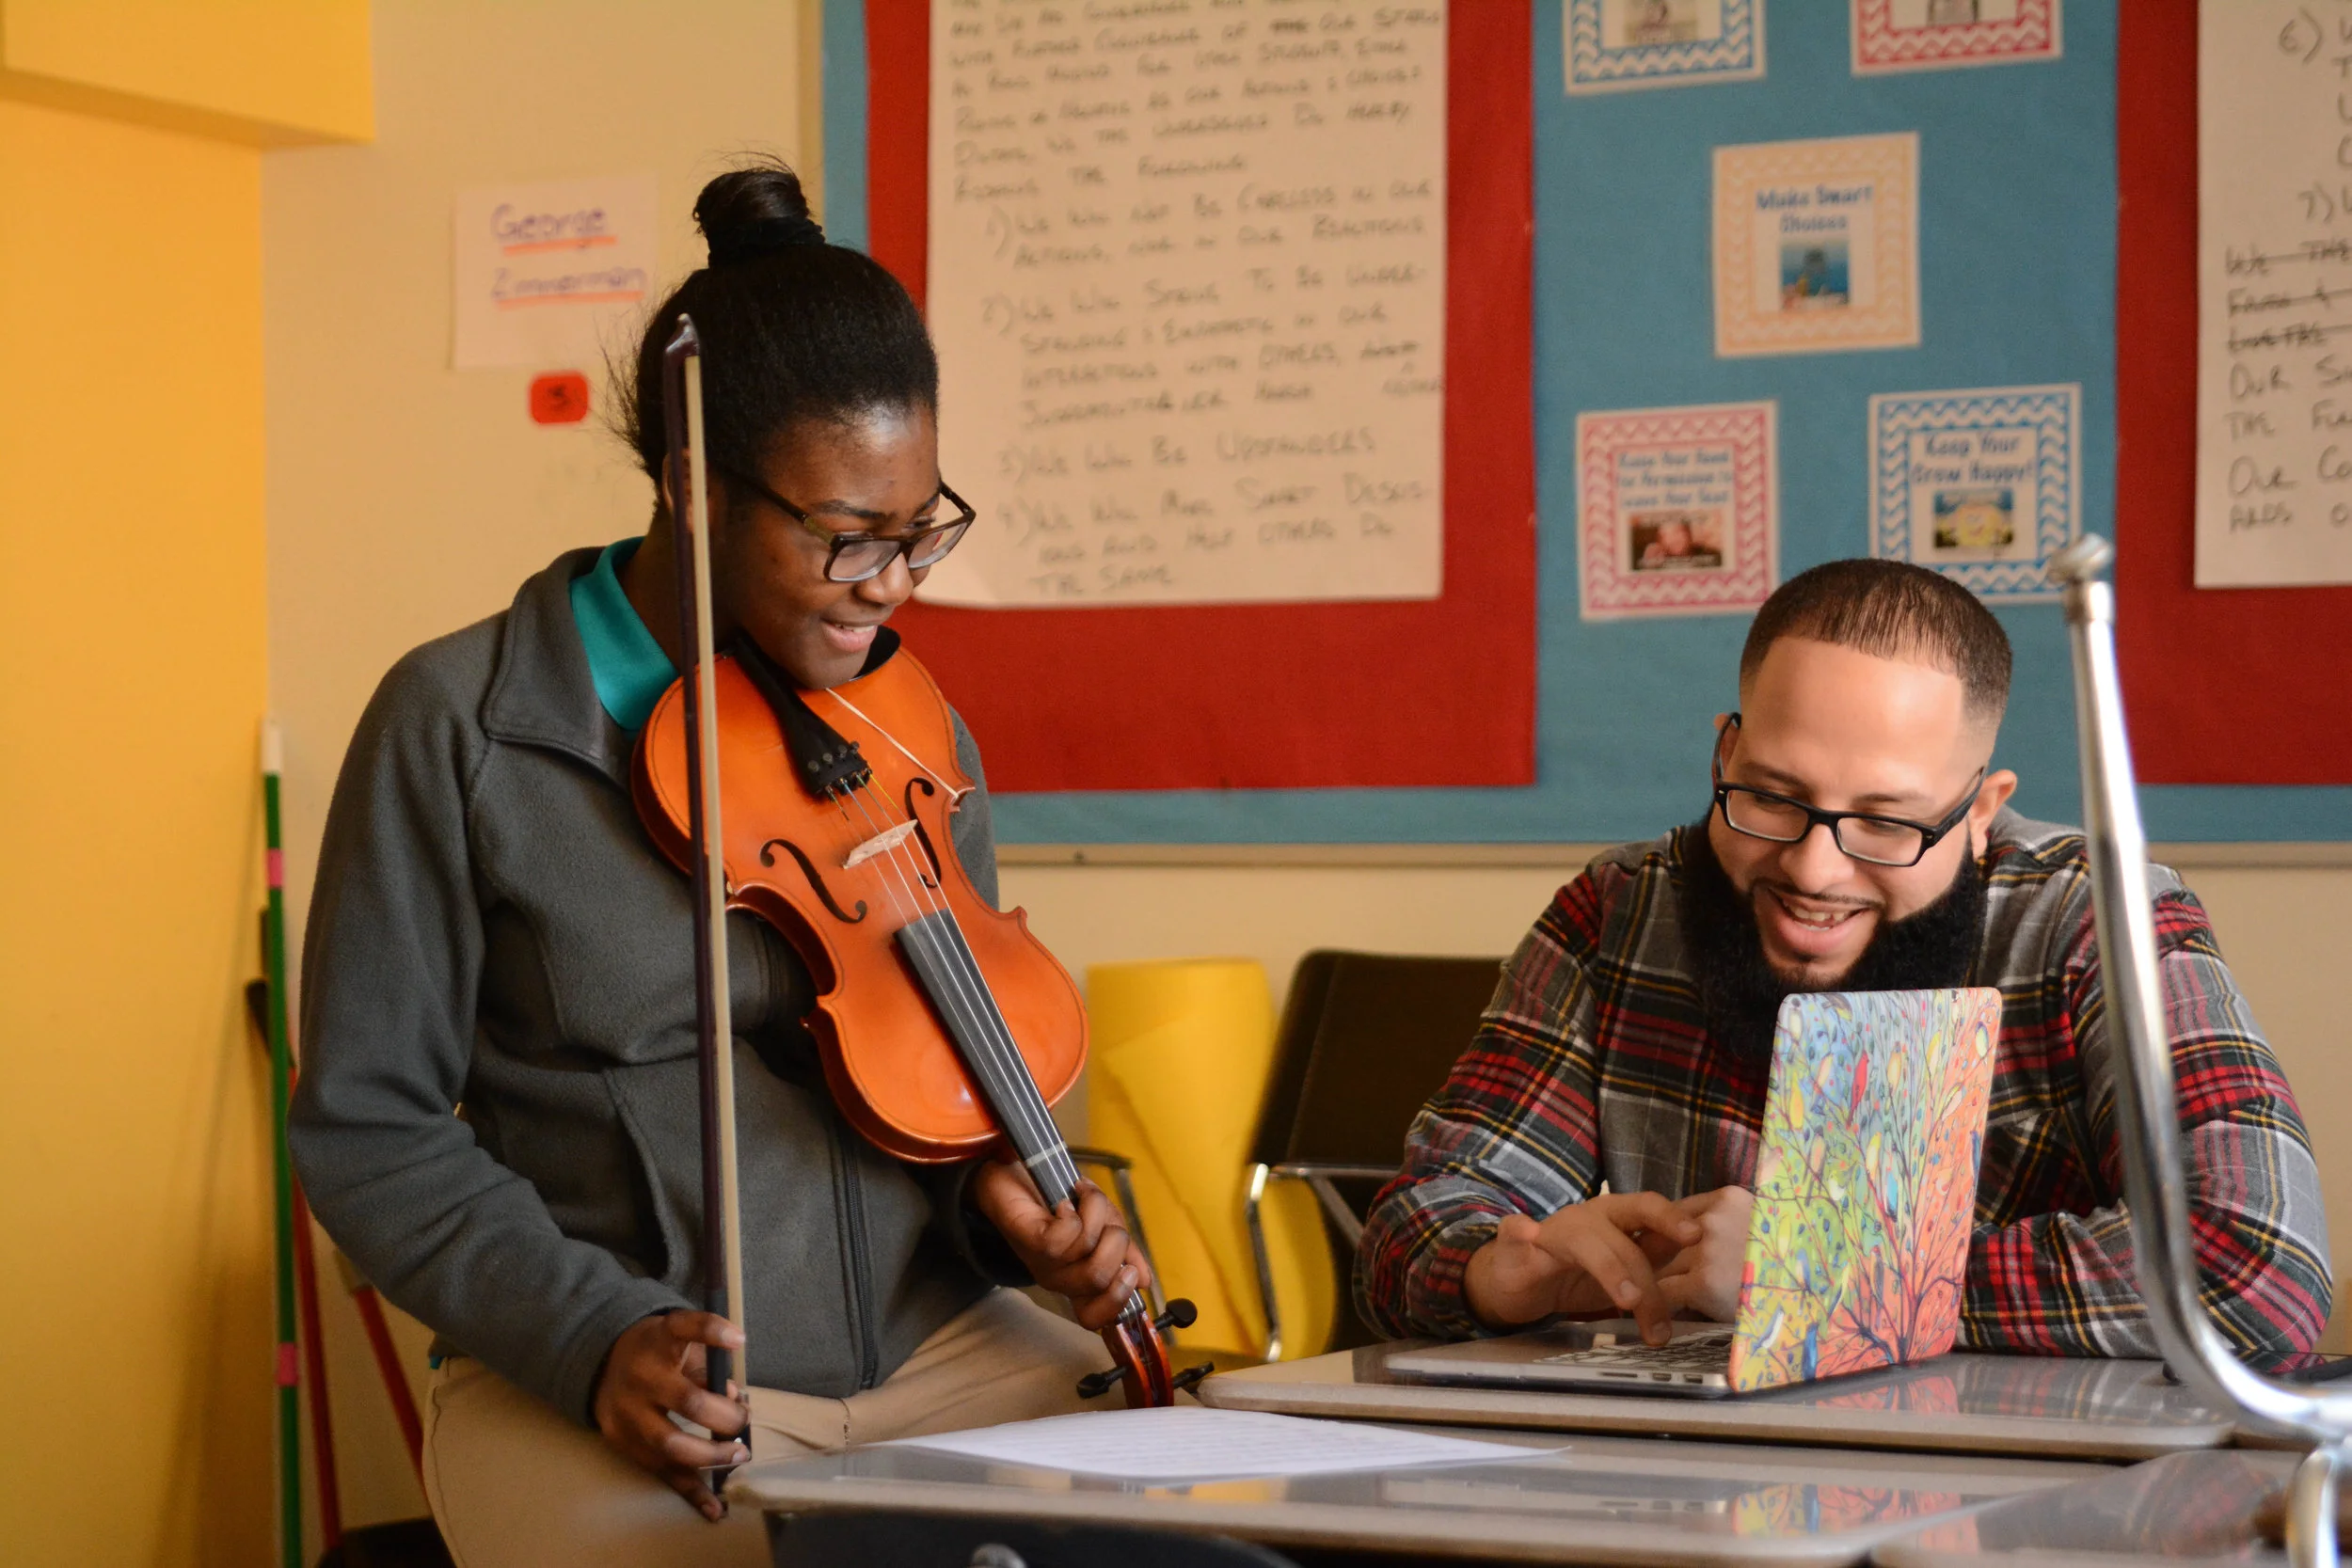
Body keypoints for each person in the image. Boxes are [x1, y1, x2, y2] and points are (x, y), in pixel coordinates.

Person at [289, 161, 1151, 1568]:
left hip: (944, 1348)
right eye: (845, 539)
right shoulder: (462, 726)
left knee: (1176, 1537)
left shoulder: (907, 722)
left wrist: (1010, 1218)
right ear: (695, 485)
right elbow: (369, 1126)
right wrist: (590, 1332)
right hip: (634, 1383)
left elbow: (954, 1065)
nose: (894, 586)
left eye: (919, 529)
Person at [1357, 559, 2330, 1368]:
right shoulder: (1617, 909)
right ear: (1721, 754)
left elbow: (2255, 1267)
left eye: (1886, 820)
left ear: (1980, 810)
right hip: (1668, 1494)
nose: (1814, 868)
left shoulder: (2092, 922)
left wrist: (1819, 1273)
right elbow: (1411, 1229)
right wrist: (1496, 1271)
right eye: (1773, 797)